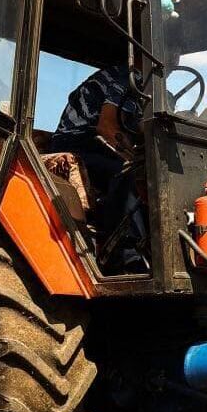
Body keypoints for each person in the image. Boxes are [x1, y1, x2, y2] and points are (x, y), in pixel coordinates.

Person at [49, 64, 146, 271]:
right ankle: (124, 256)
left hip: (97, 143)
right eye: (173, 49)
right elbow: (107, 126)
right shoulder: (129, 78)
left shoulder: (150, 90)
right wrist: (134, 157)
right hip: (77, 140)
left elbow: (142, 129)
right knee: (127, 172)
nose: (176, 58)